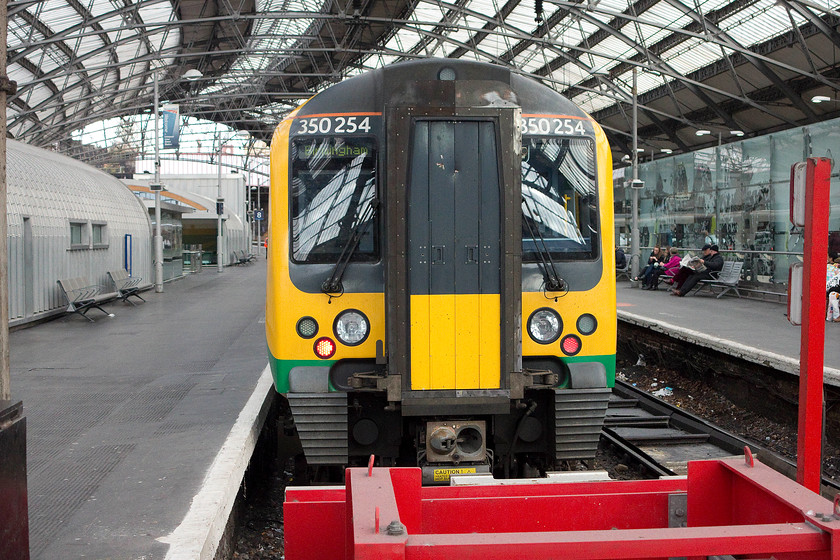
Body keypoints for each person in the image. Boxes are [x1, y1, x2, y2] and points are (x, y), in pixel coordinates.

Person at [827, 254, 840, 321]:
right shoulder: (836, 271)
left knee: (833, 294)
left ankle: (835, 316)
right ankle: (836, 316)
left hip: (833, 289)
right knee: (833, 295)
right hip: (834, 290)